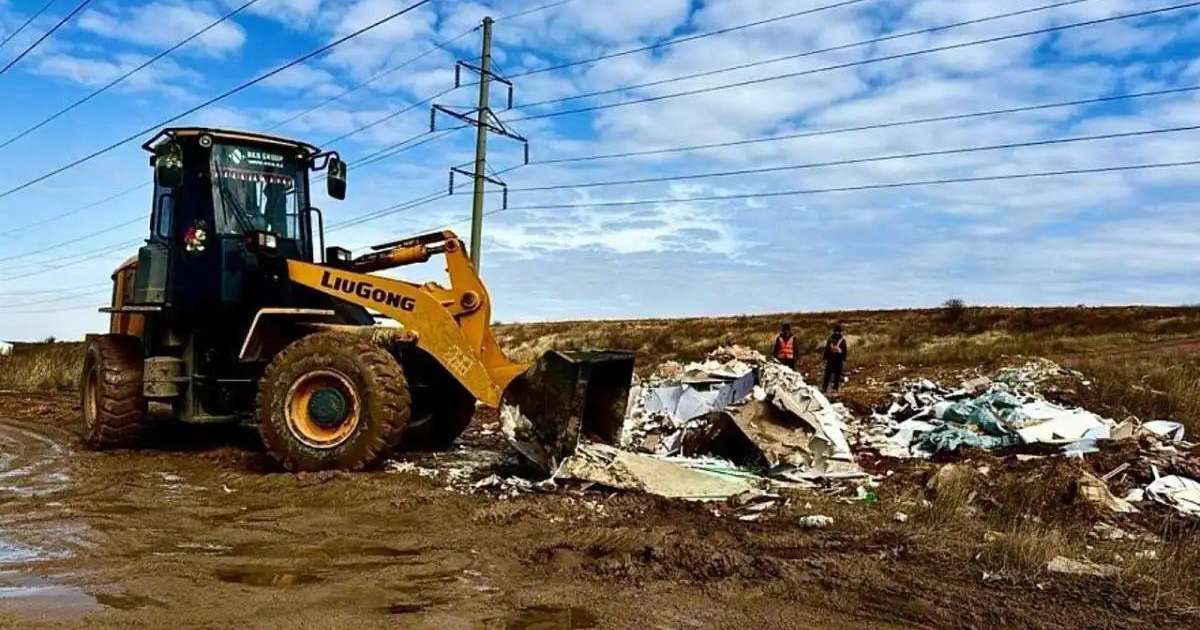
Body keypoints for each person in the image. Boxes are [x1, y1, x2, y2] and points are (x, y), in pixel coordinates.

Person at [822, 324, 849, 393]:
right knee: (837, 375)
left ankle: (824, 388)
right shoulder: (842, 340)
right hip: (838, 360)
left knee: (827, 375)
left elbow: (827, 349)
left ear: (833, 331)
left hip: (830, 360)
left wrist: (824, 358)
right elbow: (844, 350)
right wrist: (844, 359)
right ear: (840, 331)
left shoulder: (830, 339)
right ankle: (835, 389)